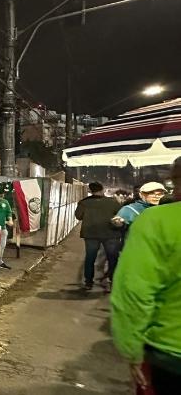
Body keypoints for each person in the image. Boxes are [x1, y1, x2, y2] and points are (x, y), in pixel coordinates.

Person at [111, 157, 181, 392]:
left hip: (169, 352)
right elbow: (118, 219)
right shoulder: (136, 212)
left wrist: (131, 349)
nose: (156, 196)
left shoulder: (157, 220)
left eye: (159, 192)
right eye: (152, 193)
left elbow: (134, 292)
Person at [75, 181, 122, 291]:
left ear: (91, 191)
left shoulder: (84, 203)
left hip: (91, 234)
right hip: (111, 233)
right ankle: (112, 280)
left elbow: (78, 216)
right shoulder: (113, 202)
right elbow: (120, 215)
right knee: (112, 258)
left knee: (90, 257)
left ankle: (88, 282)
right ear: (102, 189)